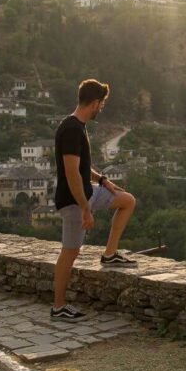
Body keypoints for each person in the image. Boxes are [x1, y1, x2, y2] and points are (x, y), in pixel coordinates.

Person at [51, 78, 138, 321]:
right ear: (95, 103)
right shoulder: (70, 129)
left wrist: (102, 181)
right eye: (102, 104)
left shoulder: (77, 126)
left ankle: (109, 254)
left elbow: (82, 167)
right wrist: (85, 210)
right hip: (73, 200)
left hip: (88, 192)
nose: (102, 109)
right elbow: (71, 173)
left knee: (127, 200)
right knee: (70, 252)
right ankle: (58, 307)